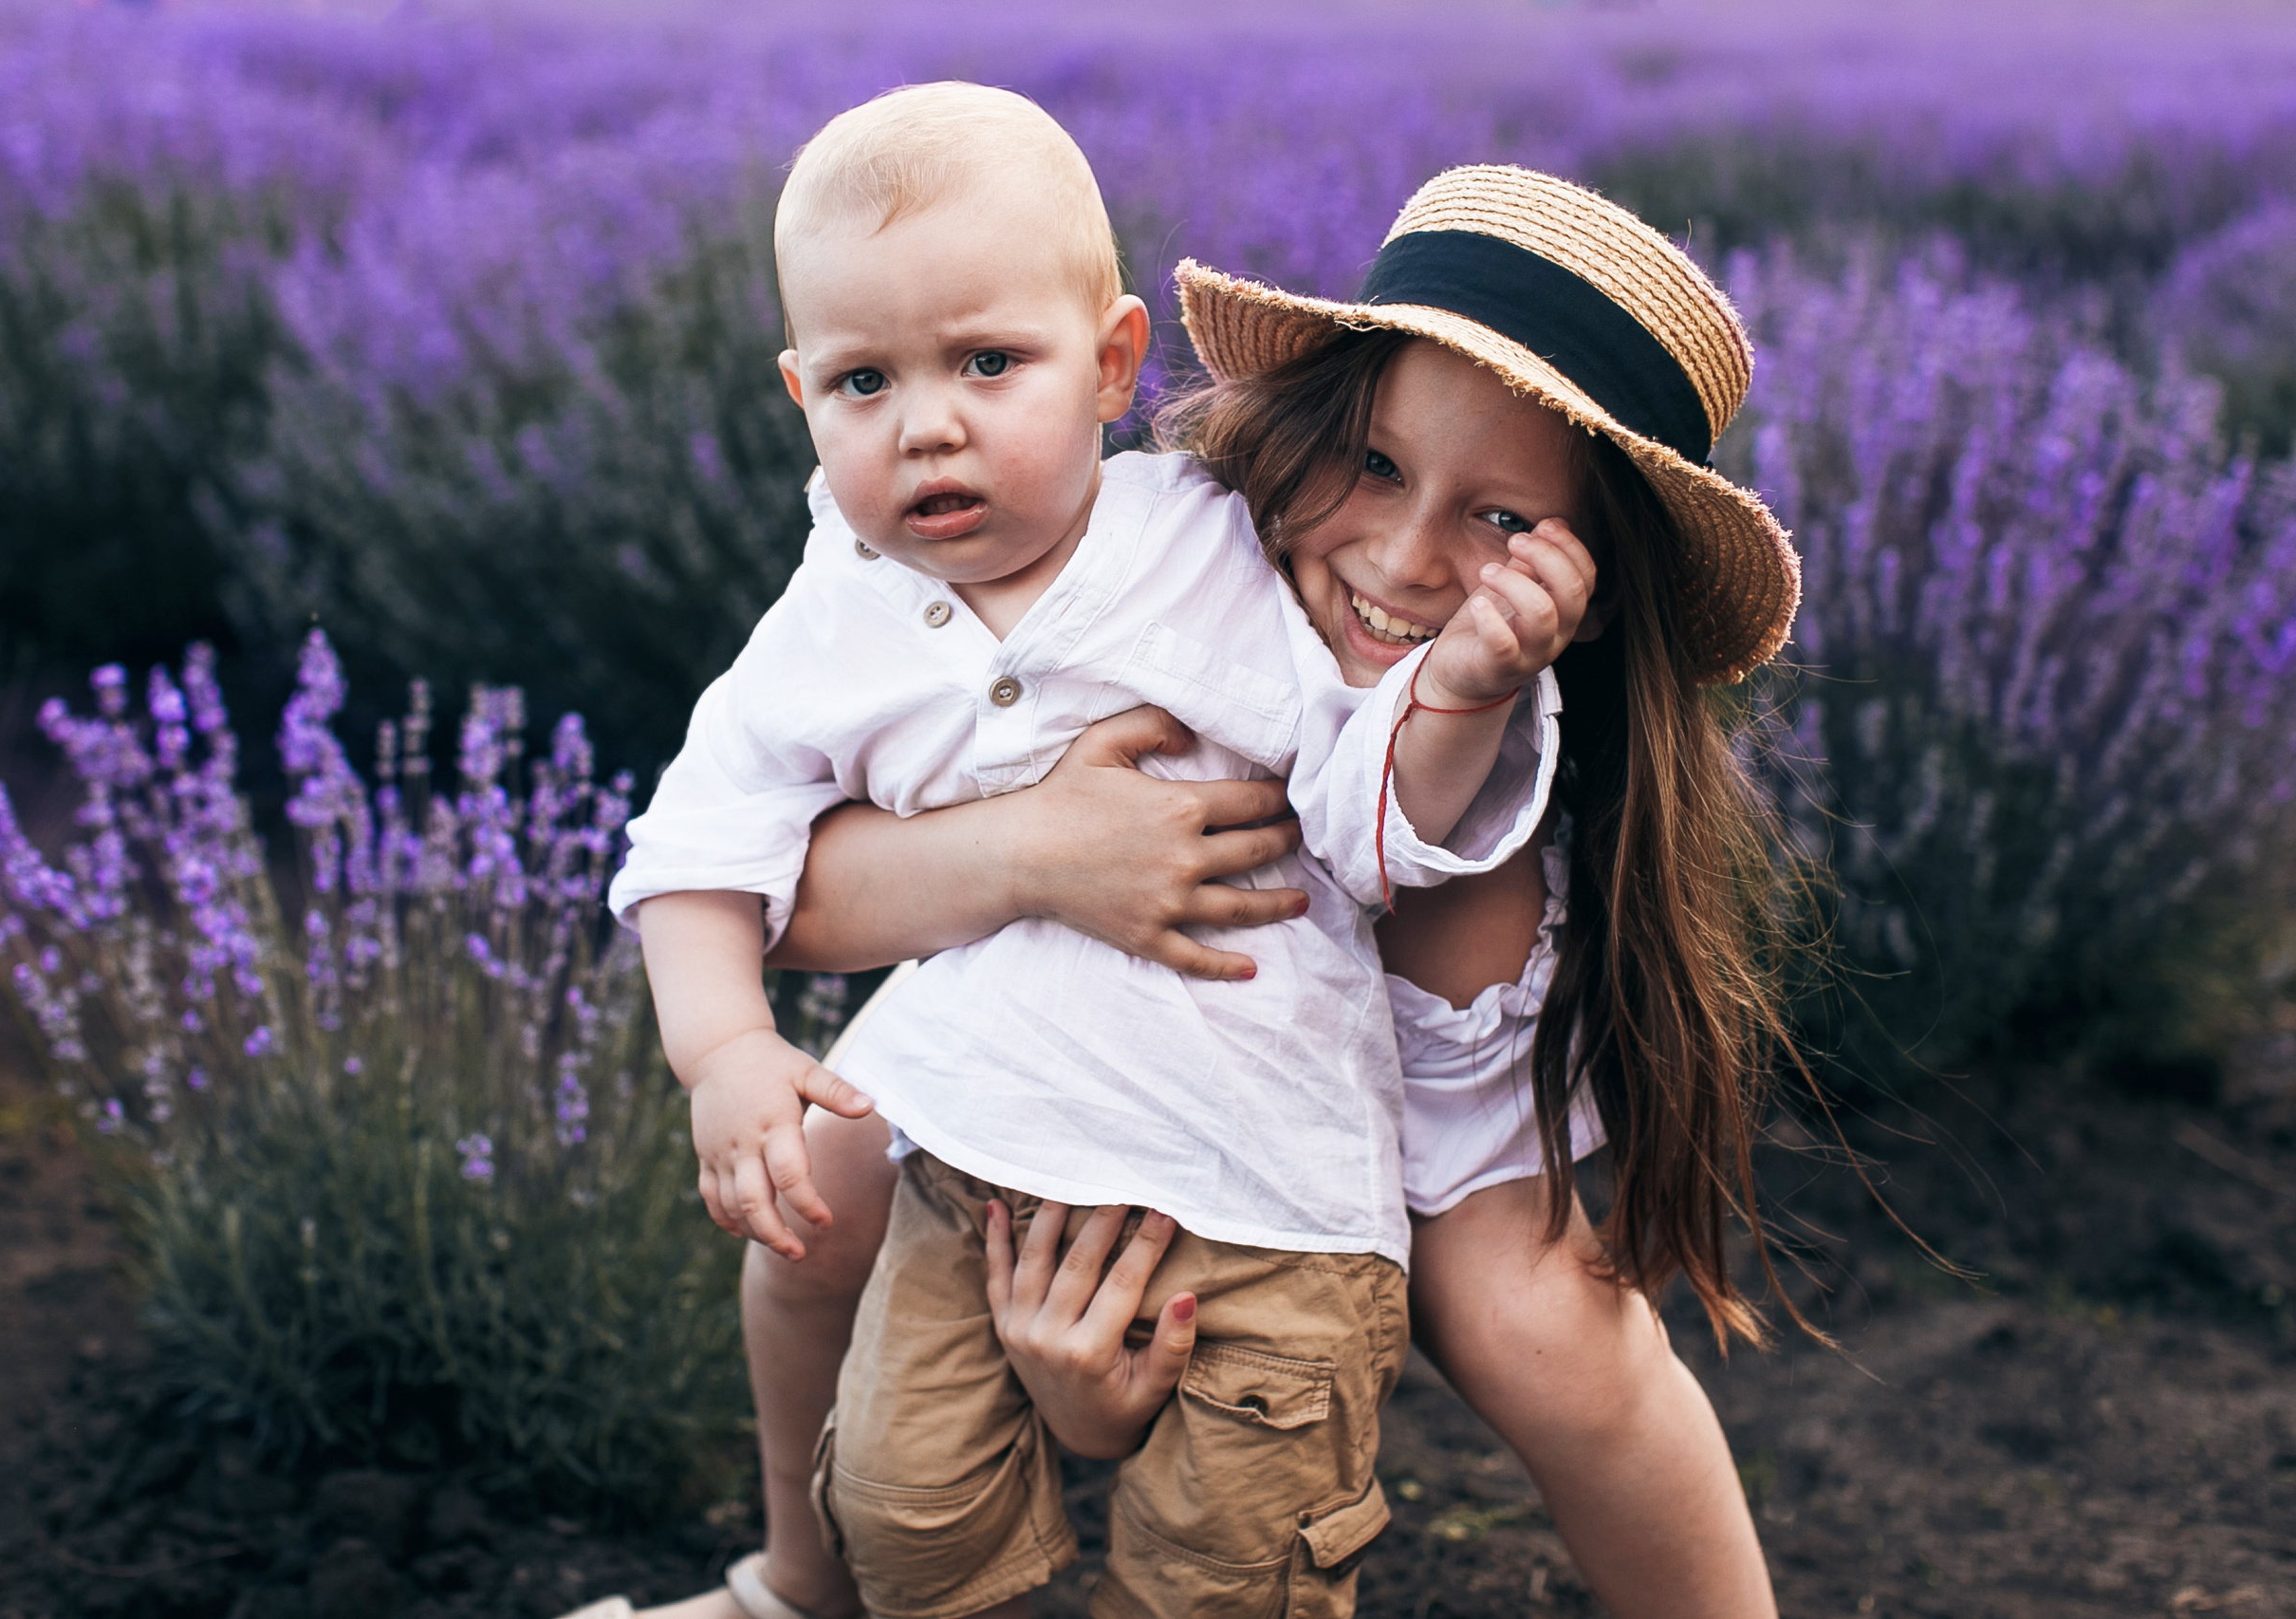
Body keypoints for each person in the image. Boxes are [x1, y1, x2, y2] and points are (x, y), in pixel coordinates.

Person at [599, 91, 1586, 1619]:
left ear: (1116, 366)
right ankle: (805, 1585)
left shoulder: (1202, 543)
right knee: (905, 1514)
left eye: (989, 363)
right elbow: (701, 845)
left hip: (1265, 1187)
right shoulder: (828, 621)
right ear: (801, 397)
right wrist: (723, 1052)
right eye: (865, 380)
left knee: (1231, 1566)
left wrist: (1452, 693)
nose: (928, 420)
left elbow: (1357, 815)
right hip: (981, 1164)